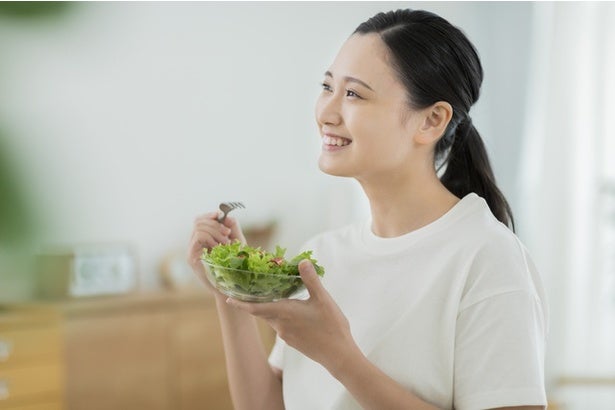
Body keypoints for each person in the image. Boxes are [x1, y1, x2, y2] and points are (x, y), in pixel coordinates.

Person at [188, 9, 548, 410]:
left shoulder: (486, 257)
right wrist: (230, 288)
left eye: (354, 94)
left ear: (431, 120)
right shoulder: (323, 256)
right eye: (327, 87)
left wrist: (340, 357)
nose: (326, 112)